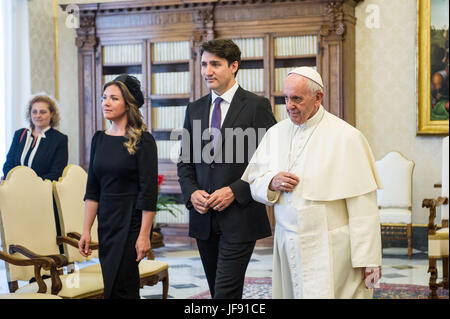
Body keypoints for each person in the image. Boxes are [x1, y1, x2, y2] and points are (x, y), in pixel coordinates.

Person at [242, 67, 383, 299]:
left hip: (331, 246)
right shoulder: (276, 133)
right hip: (287, 241)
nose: (289, 106)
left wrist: (368, 259)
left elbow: (363, 207)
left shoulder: (347, 137)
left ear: (318, 98)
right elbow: (254, 180)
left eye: (297, 98)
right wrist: (271, 182)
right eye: (285, 98)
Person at [177, 39, 277, 299]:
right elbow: (185, 162)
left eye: (215, 64)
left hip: (241, 217)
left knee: (225, 293)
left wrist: (234, 191)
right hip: (203, 218)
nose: (207, 71)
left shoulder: (257, 106)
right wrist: (191, 193)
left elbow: (271, 161)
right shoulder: (194, 109)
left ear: (234, 66)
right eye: (204, 64)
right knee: (217, 290)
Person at [78, 74, 158, 299]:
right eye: (104, 97)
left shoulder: (144, 140)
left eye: (113, 98)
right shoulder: (98, 139)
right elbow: (92, 189)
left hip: (131, 223)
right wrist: (86, 230)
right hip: (107, 225)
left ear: (128, 103)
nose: (106, 102)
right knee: (112, 285)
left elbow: (149, 192)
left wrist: (144, 235)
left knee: (121, 287)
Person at [2, 94, 68, 181]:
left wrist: (30, 183)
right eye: (34, 112)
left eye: (43, 112)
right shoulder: (19, 134)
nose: (38, 115)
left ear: (52, 114)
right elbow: (8, 164)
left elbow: (56, 173)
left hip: (41, 191)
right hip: (14, 189)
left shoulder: (59, 139)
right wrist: (15, 181)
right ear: (30, 114)